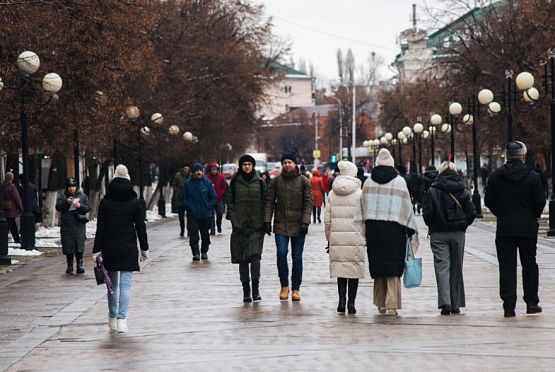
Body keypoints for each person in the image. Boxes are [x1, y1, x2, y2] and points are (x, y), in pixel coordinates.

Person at [484, 141, 546, 317]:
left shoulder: (496, 176)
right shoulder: (533, 177)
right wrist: (532, 215)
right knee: (529, 265)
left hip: (505, 228)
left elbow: (489, 200)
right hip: (527, 227)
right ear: (523, 156)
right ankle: (532, 302)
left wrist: (502, 213)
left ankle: (509, 305)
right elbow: (539, 201)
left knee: (507, 267)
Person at [362, 149, 418, 315]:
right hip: (395, 229)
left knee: (379, 266)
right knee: (393, 267)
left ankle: (380, 303)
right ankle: (392, 304)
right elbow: (407, 208)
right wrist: (410, 230)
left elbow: (362, 208)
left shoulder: (369, 182)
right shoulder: (400, 182)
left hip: (374, 229)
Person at [93, 164, 148, 333]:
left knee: (112, 286)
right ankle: (122, 320)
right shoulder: (135, 202)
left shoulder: (105, 202)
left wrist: (96, 249)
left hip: (110, 247)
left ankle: (112, 317)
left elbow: (100, 227)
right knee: (125, 287)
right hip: (129, 247)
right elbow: (140, 227)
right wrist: (144, 248)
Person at [422, 161, 476, 315]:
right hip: (458, 234)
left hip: (438, 234)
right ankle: (456, 304)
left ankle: (445, 303)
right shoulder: (462, 189)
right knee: (456, 268)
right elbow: (471, 212)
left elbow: (427, 214)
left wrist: (433, 225)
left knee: (442, 268)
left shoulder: (433, 190)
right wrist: (463, 224)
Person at [264, 153, 312, 301]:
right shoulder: (276, 181)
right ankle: (284, 286)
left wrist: (305, 221)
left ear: (295, 164)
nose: (287, 165)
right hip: (281, 224)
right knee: (281, 254)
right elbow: (270, 201)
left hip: (299, 225)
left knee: (297, 258)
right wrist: (267, 221)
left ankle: (296, 288)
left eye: (289, 162)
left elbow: (308, 202)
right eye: (284, 162)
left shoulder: (304, 181)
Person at [324, 160, 365, 314]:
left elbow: (327, 220)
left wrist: (329, 238)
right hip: (356, 237)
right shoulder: (360, 194)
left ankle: (341, 302)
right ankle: (351, 303)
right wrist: (364, 237)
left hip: (337, 238)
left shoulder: (332, 195)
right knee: (353, 270)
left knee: (341, 270)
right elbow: (364, 218)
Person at [226, 155, 266, 302]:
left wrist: (265, 221)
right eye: (244, 164)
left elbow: (266, 203)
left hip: (256, 226)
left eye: (249, 164)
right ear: (241, 166)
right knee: (243, 259)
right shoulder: (235, 183)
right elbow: (229, 204)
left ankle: (256, 290)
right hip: (240, 227)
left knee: (255, 257)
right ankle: (246, 291)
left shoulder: (260, 183)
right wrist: (235, 223)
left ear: (253, 166)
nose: (247, 167)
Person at [181, 163, 217, 261]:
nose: (198, 172)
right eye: (196, 170)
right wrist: (189, 207)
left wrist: (208, 206)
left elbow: (213, 197)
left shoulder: (207, 183)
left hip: (205, 214)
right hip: (192, 214)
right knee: (193, 236)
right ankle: (195, 253)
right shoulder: (187, 184)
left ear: (202, 171)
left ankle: (204, 251)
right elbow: (184, 199)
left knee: (205, 236)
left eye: (200, 170)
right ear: (193, 172)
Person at [55, 177, 90, 274]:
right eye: (70, 187)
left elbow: (87, 208)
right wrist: (66, 202)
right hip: (67, 224)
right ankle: (69, 265)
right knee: (68, 245)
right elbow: (58, 206)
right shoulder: (63, 196)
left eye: (73, 186)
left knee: (79, 244)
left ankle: (80, 264)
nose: (72, 189)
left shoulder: (82, 196)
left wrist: (80, 206)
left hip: (79, 224)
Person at [0, 172, 24, 244]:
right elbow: (17, 198)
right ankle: (17, 239)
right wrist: (21, 208)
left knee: (5, 225)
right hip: (11, 209)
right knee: (12, 225)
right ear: (12, 178)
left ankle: (3, 239)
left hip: (3, 208)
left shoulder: (2, 186)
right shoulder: (12, 186)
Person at [206, 162, 227, 235]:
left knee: (220, 213)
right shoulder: (207, 177)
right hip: (210, 199)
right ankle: (212, 229)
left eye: (215, 169)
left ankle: (219, 224)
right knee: (211, 215)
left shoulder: (221, 177)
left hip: (219, 199)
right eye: (212, 169)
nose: (213, 171)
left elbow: (224, 188)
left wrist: (220, 195)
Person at [171, 163, 191, 238]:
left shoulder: (191, 176)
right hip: (180, 199)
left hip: (189, 199)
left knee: (190, 216)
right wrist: (178, 191)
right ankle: (182, 230)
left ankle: (189, 230)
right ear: (182, 169)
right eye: (184, 168)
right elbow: (174, 185)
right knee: (181, 217)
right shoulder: (178, 175)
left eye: (187, 168)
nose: (186, 170)